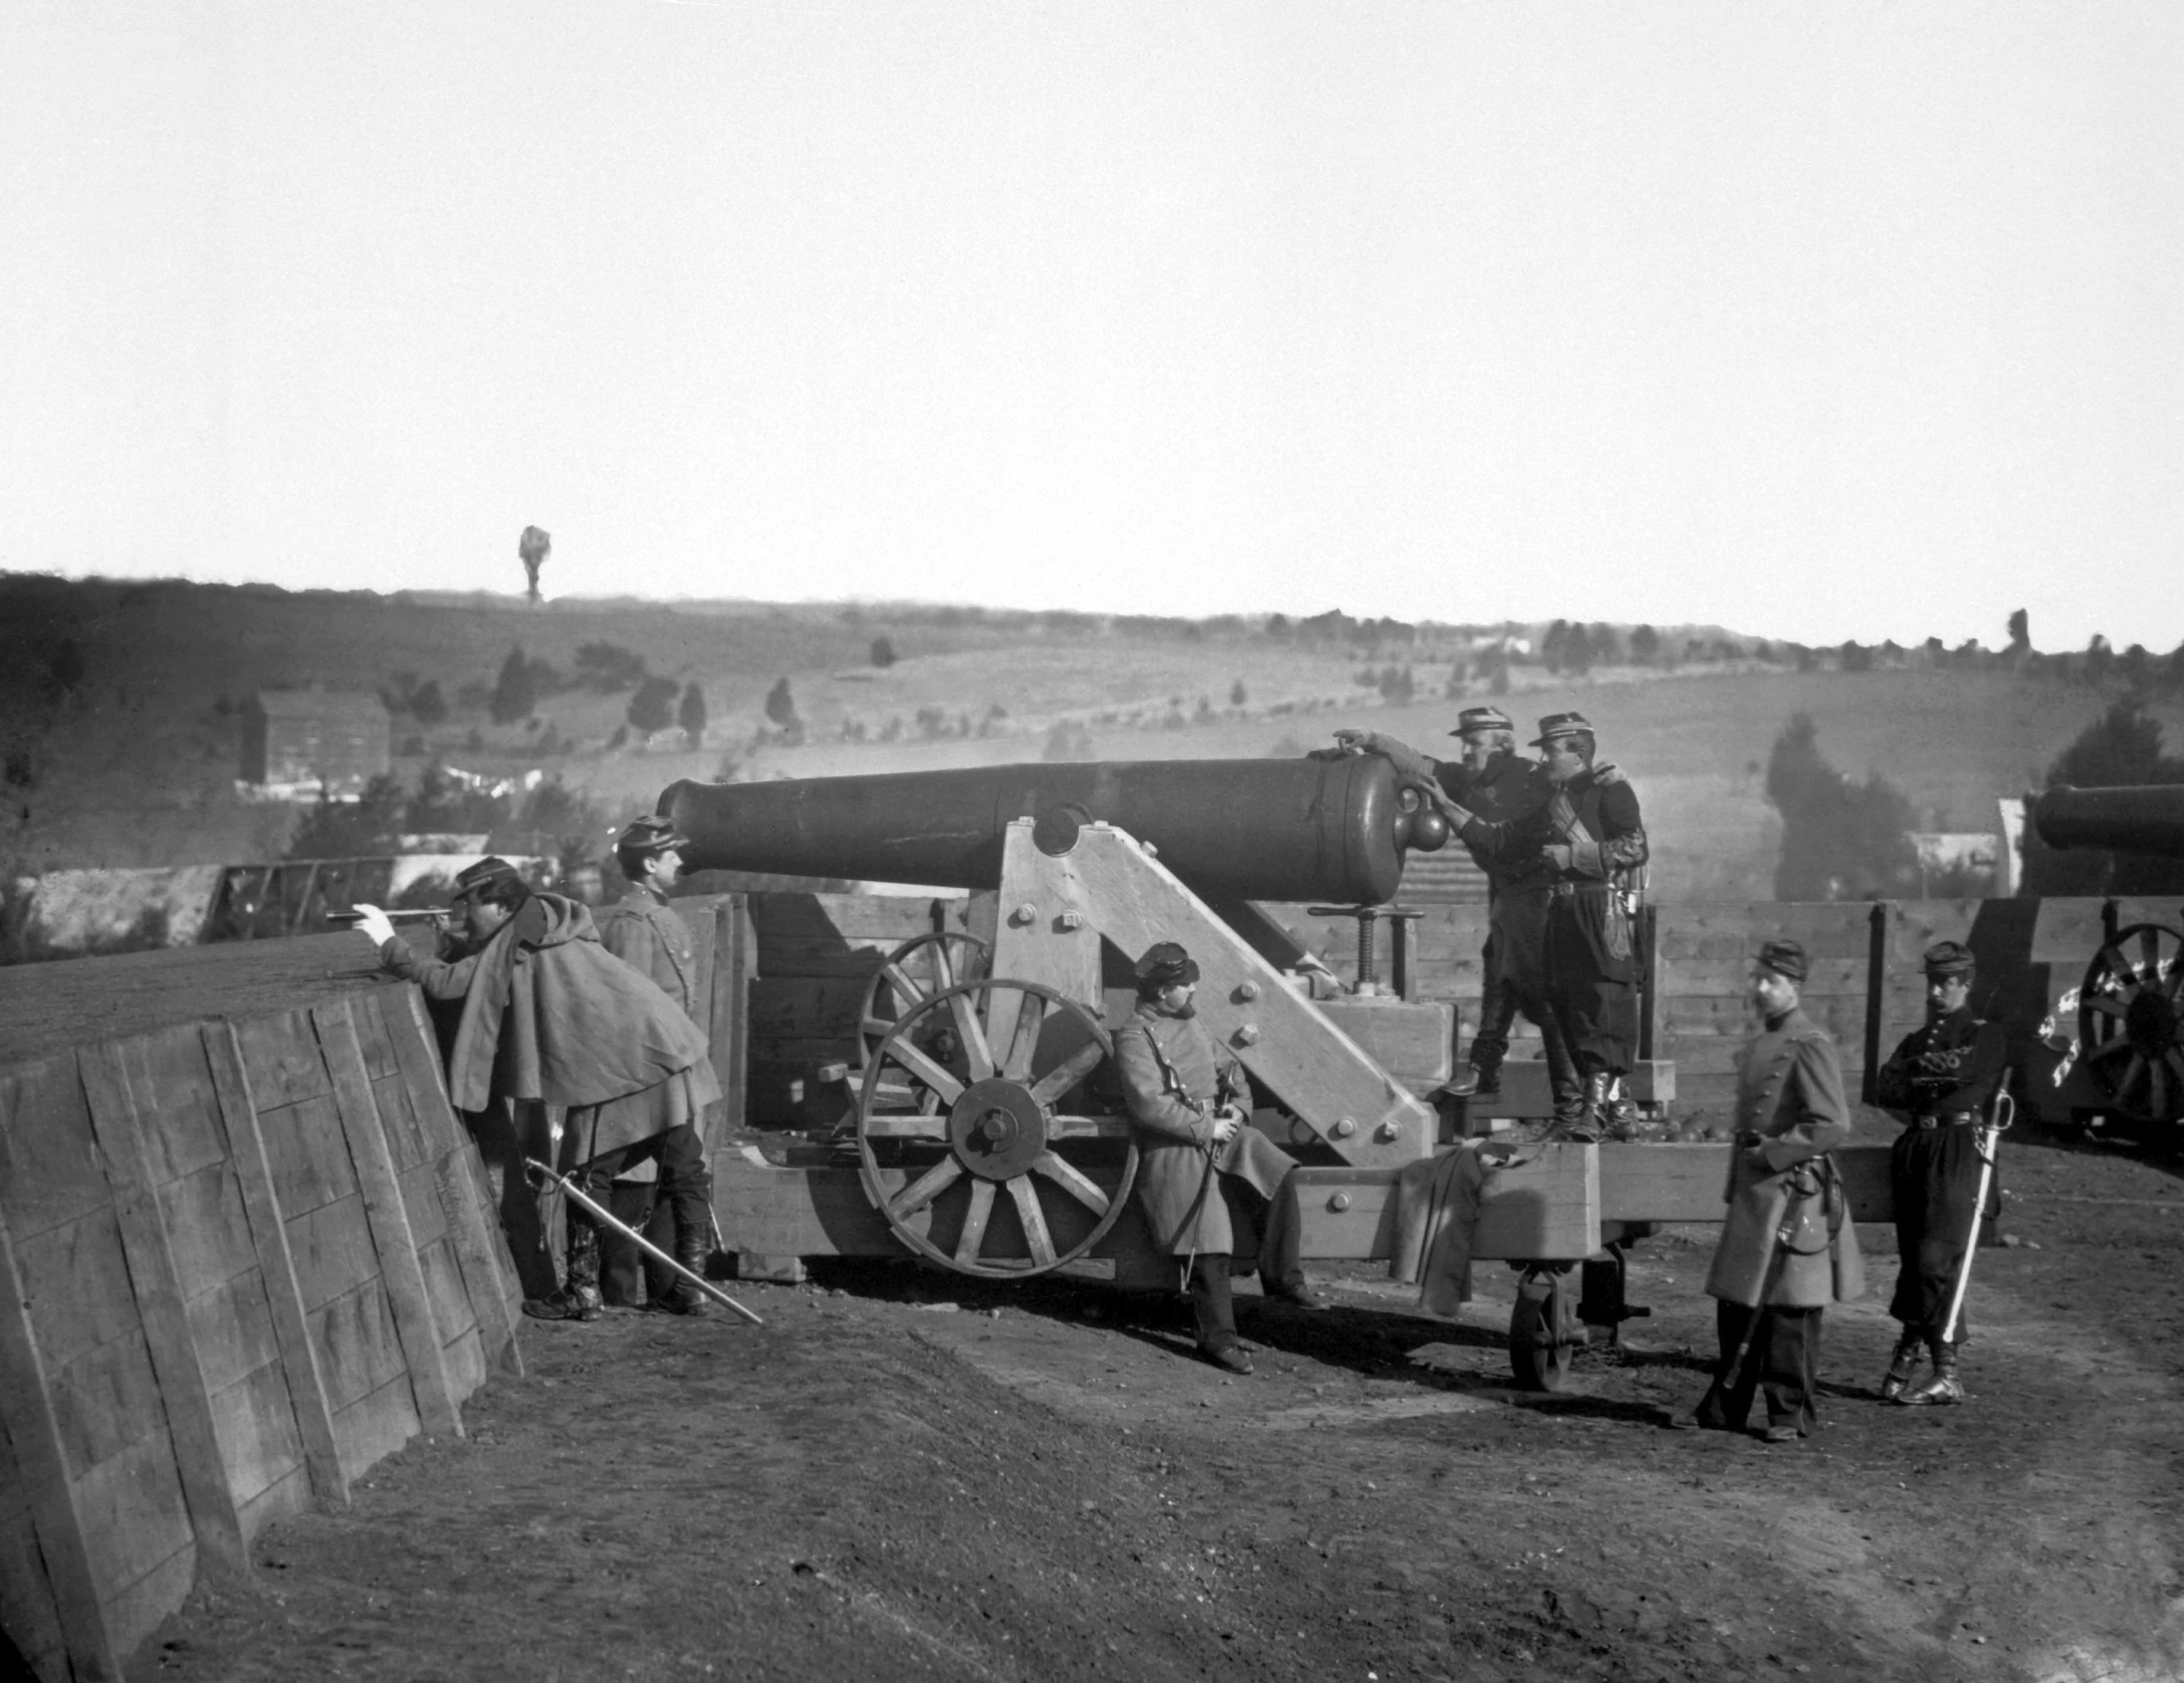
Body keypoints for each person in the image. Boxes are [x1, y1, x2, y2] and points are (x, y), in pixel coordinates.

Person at [350, 856, 721, 1324]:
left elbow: (450, 985)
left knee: (584, 1178)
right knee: (685, 1168)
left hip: (616, 1067)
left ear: (500, 904)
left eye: (470, 906)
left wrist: (388, 941)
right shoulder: (549, 920)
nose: (467, 916)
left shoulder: (516, 939)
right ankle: (692, 1288)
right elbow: (493, 967)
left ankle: (584, 1293)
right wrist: (456, 942)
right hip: (662, 1045)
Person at [1333, 707, 1580, 1117]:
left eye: (1474, 743)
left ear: (1504, 746)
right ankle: (1492, 1073)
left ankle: (1562, 1098)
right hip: (1505, 892)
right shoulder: (1465, 781)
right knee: (1501, 972)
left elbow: (1579, 783)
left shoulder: (1536, 778)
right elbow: (1419, 763)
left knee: (1536, 990)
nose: (1465, 751)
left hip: (1542, 893)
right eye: (1463, 742)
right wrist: (1372, 738)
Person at [1421, 712, 1648, 1140]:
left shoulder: (1610, 789)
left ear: (1577, 752)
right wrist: (1446, 805)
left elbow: (1636, 848)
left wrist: (1574, 858)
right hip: (1559, 916)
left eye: (1551, 750)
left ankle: (1594, 1113)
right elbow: (1499, 839)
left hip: (1598, 909)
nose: (1543, 758)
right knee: (1568, 1010)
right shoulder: (1552, 802)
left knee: (1599, 1001)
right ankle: (1617, 1109)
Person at [1114, 941, 1328, 1374]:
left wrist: (1236, 1109)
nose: (1192, 989)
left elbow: (1230, 1073)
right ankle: (1217, 1341)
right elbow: (1148, 1105)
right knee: (1208, 1240)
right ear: (1160, 993)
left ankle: (1283, 1279)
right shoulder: (1135, 1036)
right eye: (1184, 985)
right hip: (1174, 1146)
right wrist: (1204, 1127)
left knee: (1277, 1170)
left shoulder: (1191, 1023)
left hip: (1221, 1131)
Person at [1684, 940, 1864, 1441]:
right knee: (1738, 1300)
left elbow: (1831, 1124)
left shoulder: (1809, 1043)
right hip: (1755, 1192)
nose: (1759, 989)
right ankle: (1726, 1409)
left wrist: (1771, 1154)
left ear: (1795, 987)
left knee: (1789, 1309)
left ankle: (1789, 1415)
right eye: (1757, 978)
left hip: (1792, 1193)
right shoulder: (1765, 1041)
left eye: (1771, 981)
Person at [1872, 940, 2007, 1405]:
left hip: (1956, 1153)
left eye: (1946, 983)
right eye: (1931, 981)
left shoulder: (1985, 1035)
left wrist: (1918, 1075)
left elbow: (1969, 1071)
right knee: (1917, 1263)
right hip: (1915, 1150)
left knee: (1934, 1261)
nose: (1936, 992)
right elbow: (1885, 1084)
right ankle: (1943, 1372)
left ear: (1965, 985)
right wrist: (1930, 1074)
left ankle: (1912, 1353)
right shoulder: (1915, 1040)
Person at [593, 816, 715, 1316]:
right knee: (616, 1176)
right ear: (649, 863)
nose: (680, 863)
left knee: (672, 1175)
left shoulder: (659, 916)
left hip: (671, 1071)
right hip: (646, 1077)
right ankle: (618, 1291)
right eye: (671, 856)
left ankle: (677, 1288)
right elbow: (630, 1009)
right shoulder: (631, 924)